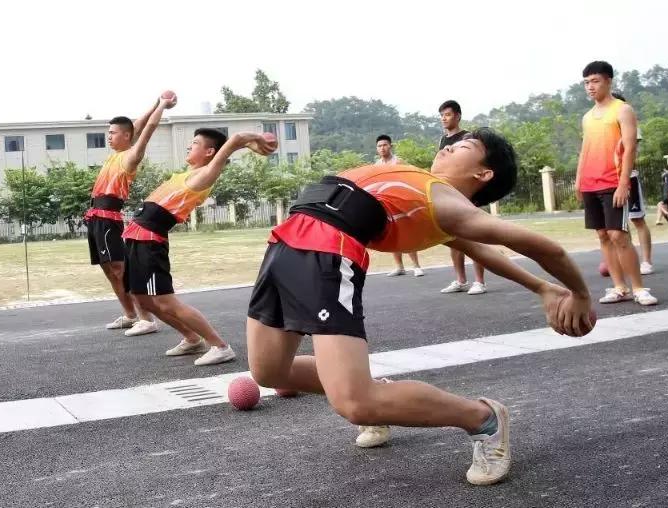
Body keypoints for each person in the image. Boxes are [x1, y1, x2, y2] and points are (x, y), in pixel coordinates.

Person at [246, 128, 595, 486]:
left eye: (463, 146)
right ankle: (375, 393)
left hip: (327, 253)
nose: (447, 147)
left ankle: (482, 418)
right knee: (269, 371)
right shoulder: (428, 192)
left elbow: (545, 247)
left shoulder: (450, 206)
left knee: (355, 404)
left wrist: (579, 294)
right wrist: (539, 287)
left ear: (483, 173)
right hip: (284, 245)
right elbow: (483, 250)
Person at [122, 129, 277, 366]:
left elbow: (234, 140)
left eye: (195, 143)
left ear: (209, 152)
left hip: (150, 240)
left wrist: (255, 140)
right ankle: (192, 338)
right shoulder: (187, 173)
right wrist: (251, 145)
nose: (189, 146)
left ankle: (220, 346)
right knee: (142, 299)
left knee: (165, 302)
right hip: (136, 237)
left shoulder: (204, 175)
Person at [84, 94, 175, 337]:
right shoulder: (114, 155)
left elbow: (147, 127)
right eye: (109, 132)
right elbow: (137, 123)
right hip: (94, 217)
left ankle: (146, 318)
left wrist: (163, 107)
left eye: (113, 132)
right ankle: (130, 315)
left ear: (126, 135)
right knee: (107, 269)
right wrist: (156, 103)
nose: (109, 136)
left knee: (121, 269)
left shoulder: (129, 157)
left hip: (108, 216)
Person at [575, 61, 657, 306]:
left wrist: (624, 184)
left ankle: (639, 288)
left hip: (613, 182)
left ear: (608, 81)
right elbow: (584, 150)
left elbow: (630, 147)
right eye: (587, 83)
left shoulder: (623, 110)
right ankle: (619, 287)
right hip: (590, 183)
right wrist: (579, 180)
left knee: (618, 235)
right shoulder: (587, 117)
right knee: (603, 236)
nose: (590, 87)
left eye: (595, 81)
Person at [437, 100, 486, 295]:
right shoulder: (442, 140)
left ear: (457, 116)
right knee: (454, 238)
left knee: (474, 237)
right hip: (450, 194)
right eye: (441, 115)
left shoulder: (467, 138)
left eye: (447, 115)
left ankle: (480, 282)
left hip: (467, 196)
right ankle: (460, 280)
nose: (443, 118)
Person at [612, 93, 654, 275]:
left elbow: (630, 149)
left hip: (629, 178)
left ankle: (646, 261)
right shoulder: (599, 124)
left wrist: (625, 177)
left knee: (637, 219)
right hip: (608, 180)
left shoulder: (628, 121)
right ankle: (626, 260)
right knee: (615, 226)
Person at [379, 134, 425, 278]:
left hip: (400, 202)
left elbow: (409, 178)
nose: (382, 148)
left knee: (406, 233)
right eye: (379, 146)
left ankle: (416, 266)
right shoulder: (376, 166)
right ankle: (399, 267)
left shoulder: (398, 162)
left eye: (385, 145)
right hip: (386, 204)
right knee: (391, 234)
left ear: (390, 146)